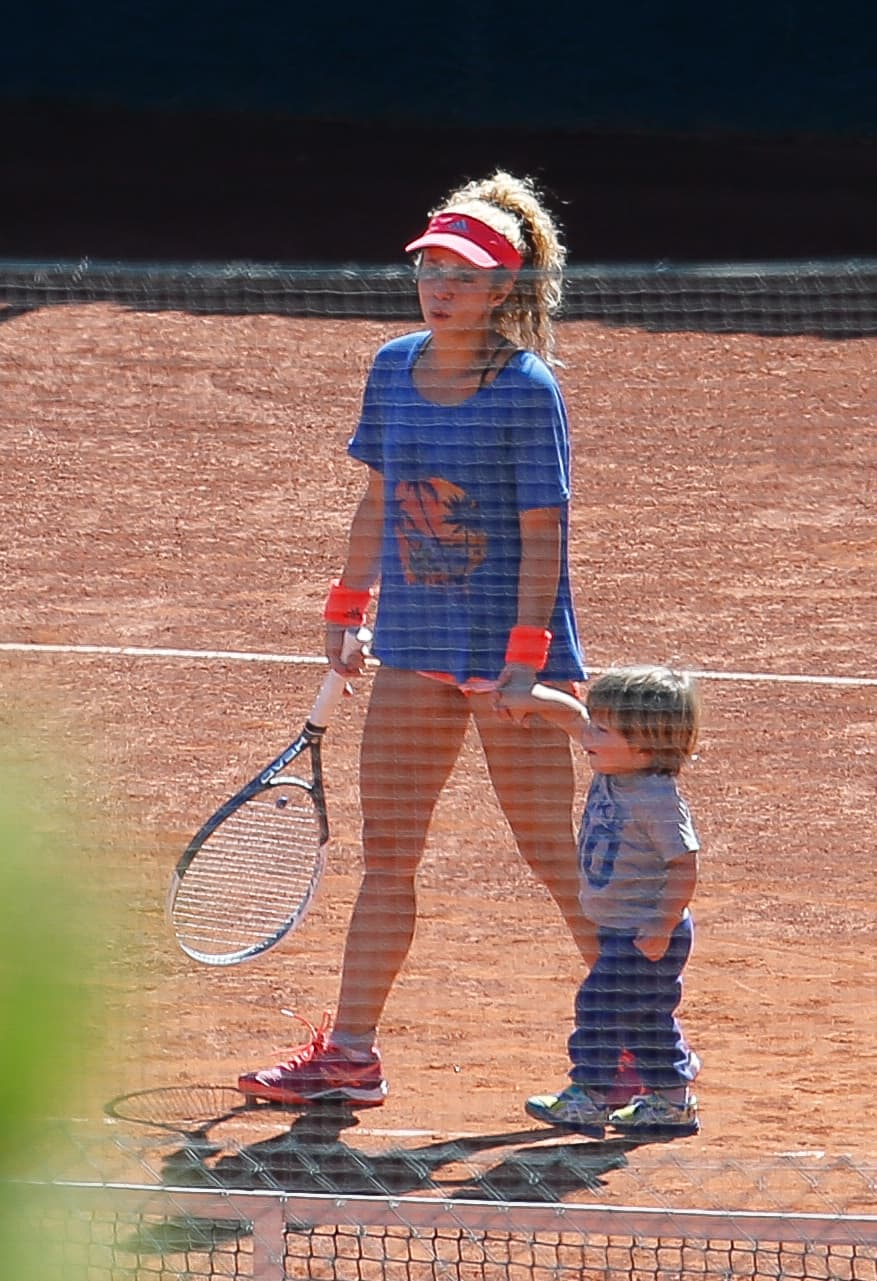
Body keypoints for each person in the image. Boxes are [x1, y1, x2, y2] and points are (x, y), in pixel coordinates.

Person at [237, 169, 590, 1108]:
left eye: (464, 274)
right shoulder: (391, 367)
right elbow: (376, 498)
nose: (441, 286)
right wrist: (346, 606)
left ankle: (640, 1039)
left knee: (550, 851)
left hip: (512, 655)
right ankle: (350, 1053)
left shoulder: (527, 390)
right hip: (414, 647)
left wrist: (522, 665)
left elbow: (546, 535)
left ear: (504, 288)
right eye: (430, 267)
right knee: (387, 852)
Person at [496, 665, 702, 1135]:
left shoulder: (657, 798)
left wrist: (662, 924)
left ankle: (588, 1096)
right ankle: (673, 1103)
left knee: (598, 1005)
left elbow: (685, 865)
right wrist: (531, 697)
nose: (587, 733)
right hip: (621, 929)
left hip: (647, 933)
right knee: (647, 1022)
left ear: (645, 745)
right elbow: (572, 717)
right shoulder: (615, 765)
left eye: (601, 729)